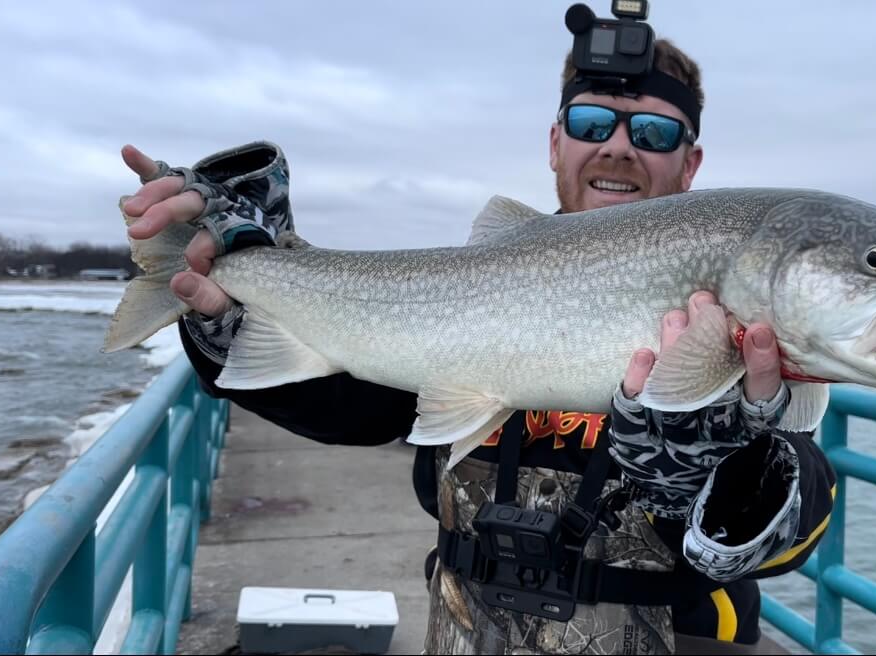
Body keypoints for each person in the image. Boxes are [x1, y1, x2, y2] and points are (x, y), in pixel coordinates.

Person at [119, 36, 835, 655]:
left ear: (692, 160)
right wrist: (231, 304)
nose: (618, 145)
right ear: (556, 142)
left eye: (653, 133)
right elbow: (346, 403)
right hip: (464, 631)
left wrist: (730, 465)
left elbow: (802, 515)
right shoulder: (473, 287)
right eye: (592, 122)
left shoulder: (746, 314)